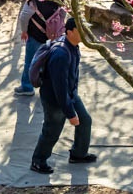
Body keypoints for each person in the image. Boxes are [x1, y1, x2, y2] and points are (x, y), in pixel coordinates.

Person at [30, 17, 97, 174]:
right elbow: (59, 88)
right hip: (55, 99)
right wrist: (70, 113)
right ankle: (38, 161)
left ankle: (78, 154)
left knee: (85, 121)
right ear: (70, 32)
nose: (85, 33)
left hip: (70, 94)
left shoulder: (74, 46)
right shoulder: (61, 54)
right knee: (52, 130)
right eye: (81, 30)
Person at [14, 0, 64, 97]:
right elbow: (63, 14)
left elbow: (24, 16)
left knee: (30, 61)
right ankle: (49, 86)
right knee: (50, 62)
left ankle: (27, 86)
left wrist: (24, 31)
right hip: (53, 37)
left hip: (35, 36)